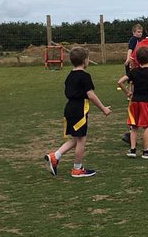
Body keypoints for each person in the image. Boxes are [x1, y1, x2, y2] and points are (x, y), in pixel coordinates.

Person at [46, 46, 112, 178]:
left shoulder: (69, 75)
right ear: (85, 61)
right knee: (81, 139)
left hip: (69, 107)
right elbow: (91, 95)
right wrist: (104, 108)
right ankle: (77, 169)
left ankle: (55, 156)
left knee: (76, 138)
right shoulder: (85, 76)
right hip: (79, 109)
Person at [118, 45, 148, 159]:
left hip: (134, 101)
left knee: (134, 126)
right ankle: (147, 151)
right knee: (146, 126)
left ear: (137, 59)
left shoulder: (134, 71)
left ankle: (133, 150)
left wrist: (128, 93)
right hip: (147, 101)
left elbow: (120, 82)